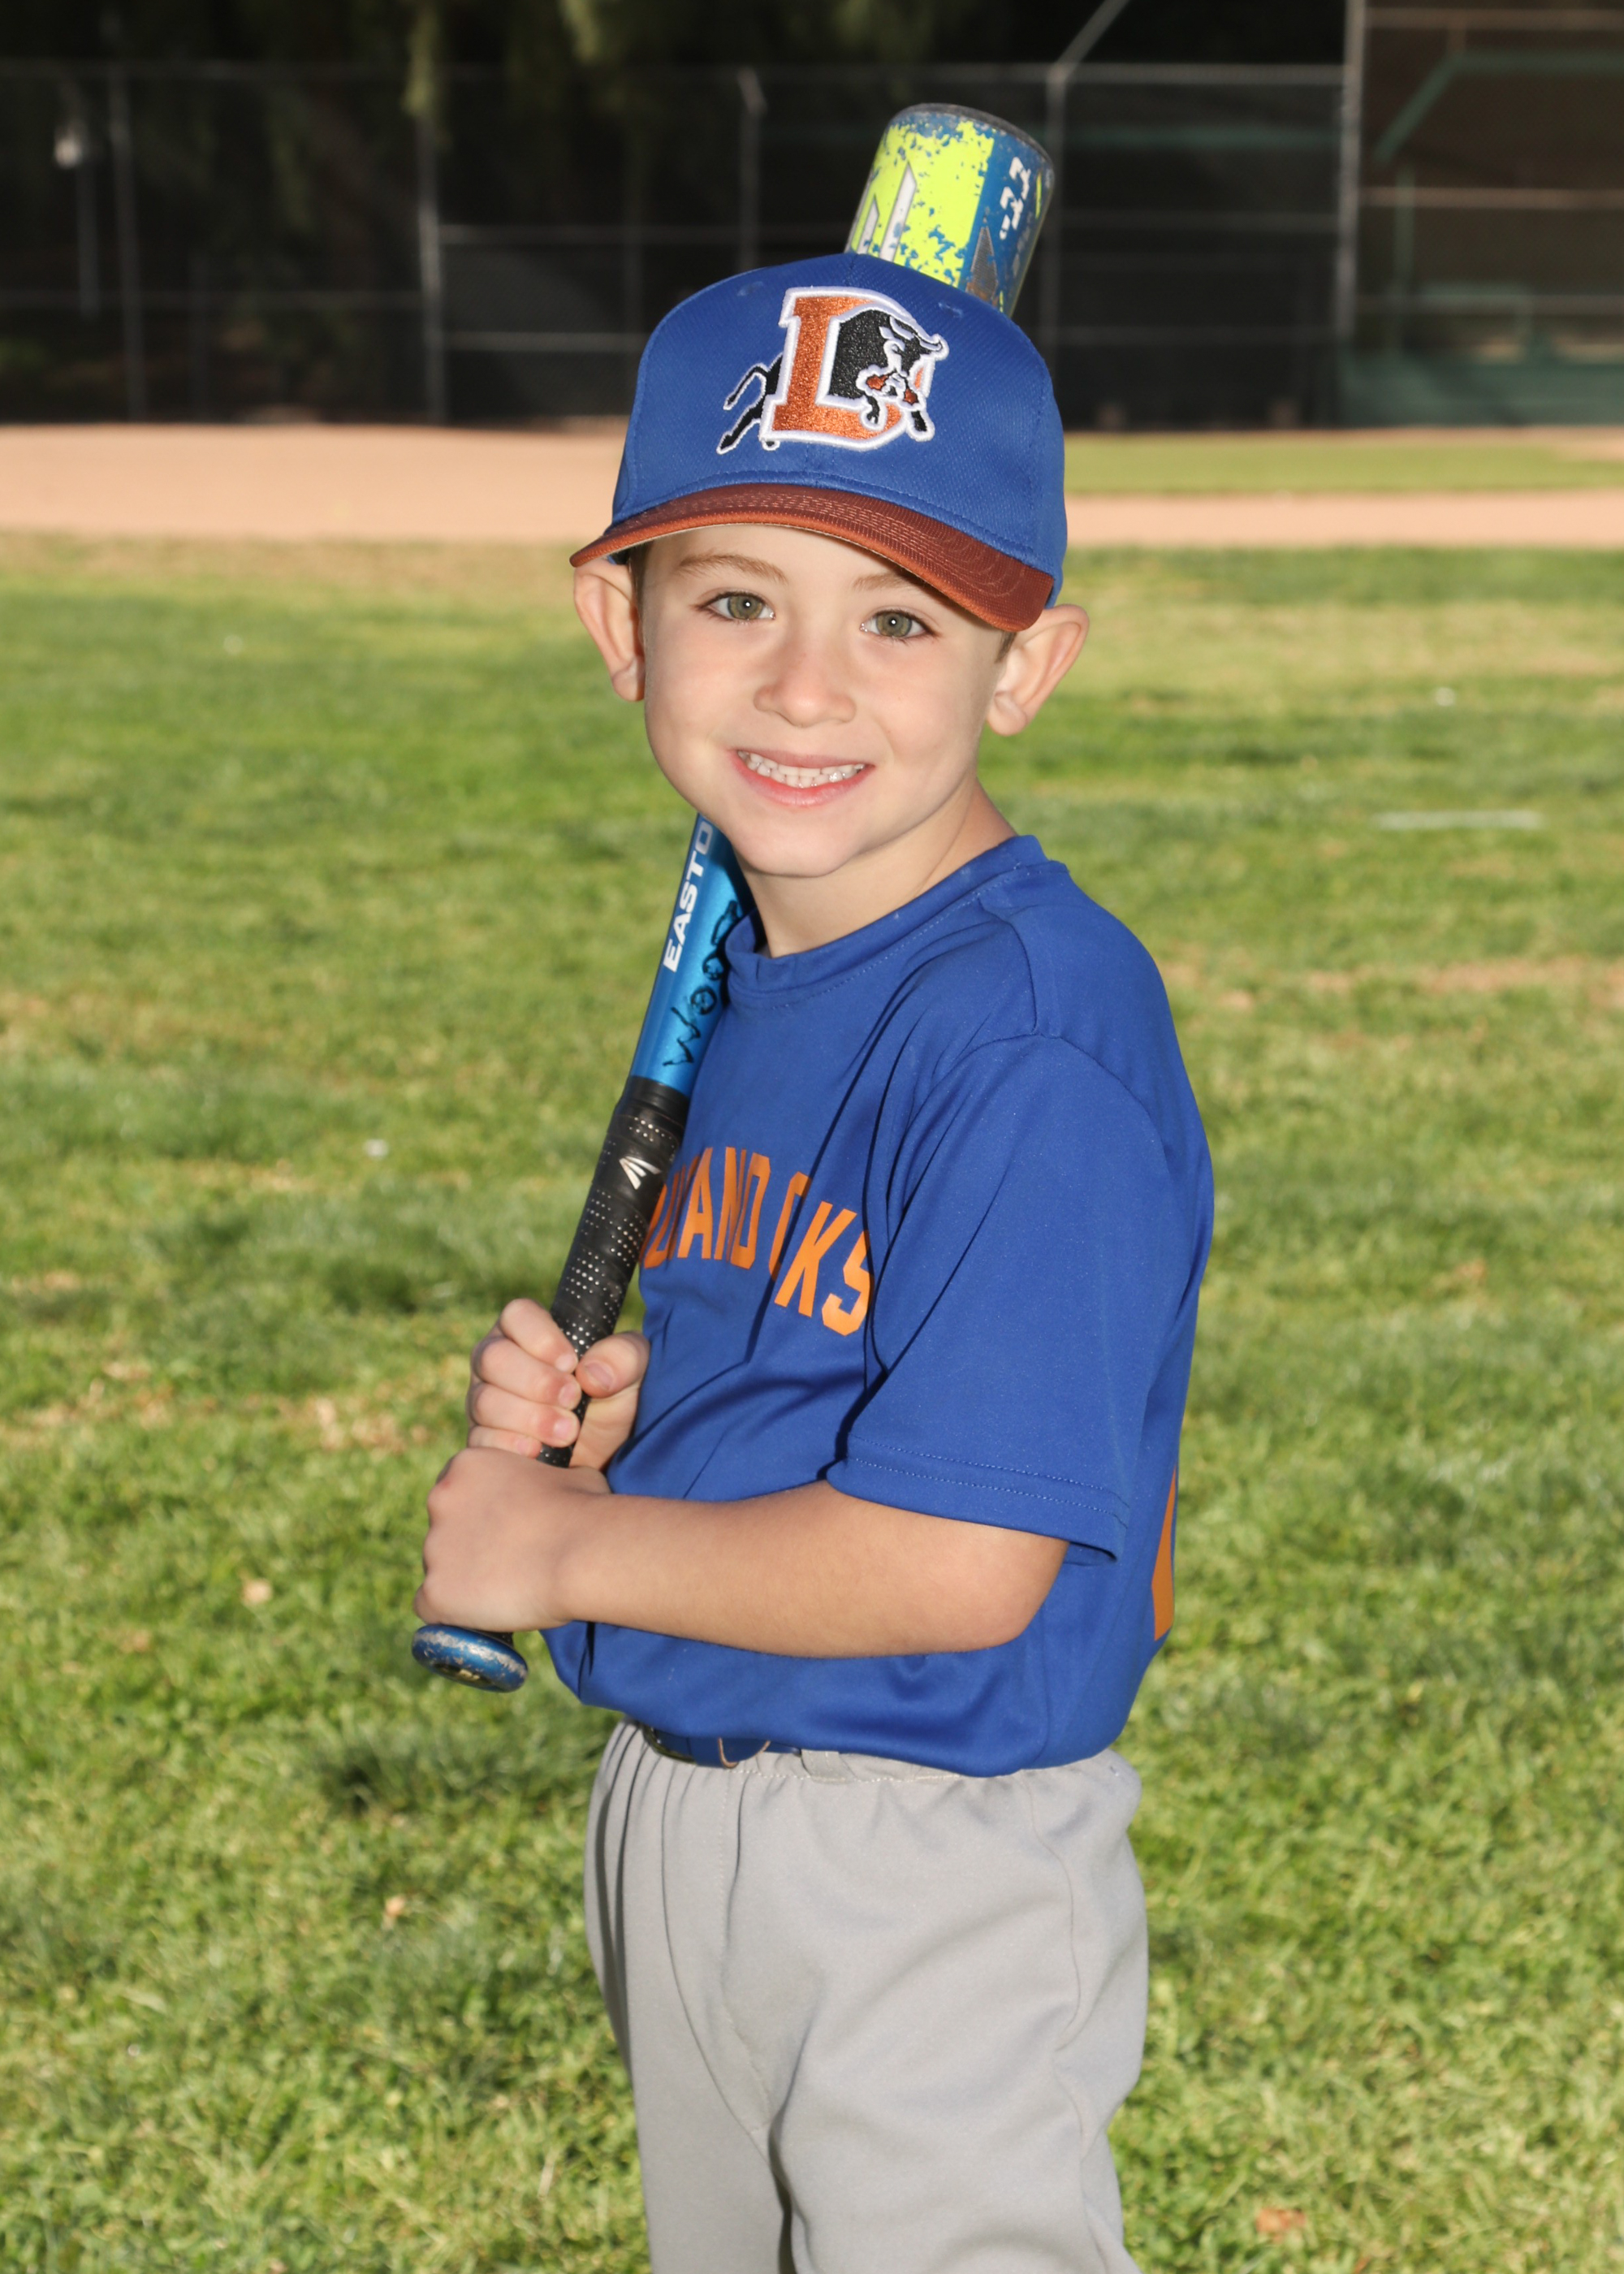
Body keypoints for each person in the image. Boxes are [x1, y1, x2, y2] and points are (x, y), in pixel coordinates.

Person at [416, 249, 1212, 2274]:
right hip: (698, 1808)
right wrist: (635, 1439)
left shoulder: (1026, 1030)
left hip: (921, 1849)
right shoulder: (789, 968)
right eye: (736, 600)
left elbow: (957, 1559)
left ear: (1025, 664)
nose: (803, 686)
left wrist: (563, 1548)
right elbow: (827, 1354)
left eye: (899, 618)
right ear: (623, 624)